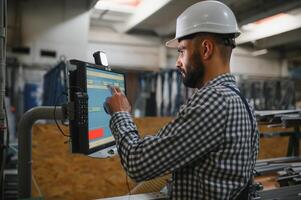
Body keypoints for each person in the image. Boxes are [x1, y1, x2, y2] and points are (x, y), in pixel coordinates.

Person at [105, 0, 259, 199]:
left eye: (182, 51)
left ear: (206, 49)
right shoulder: (241, 101)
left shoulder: (214, 101)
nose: (178, 62)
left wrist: (120, 114)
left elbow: (138, 163)